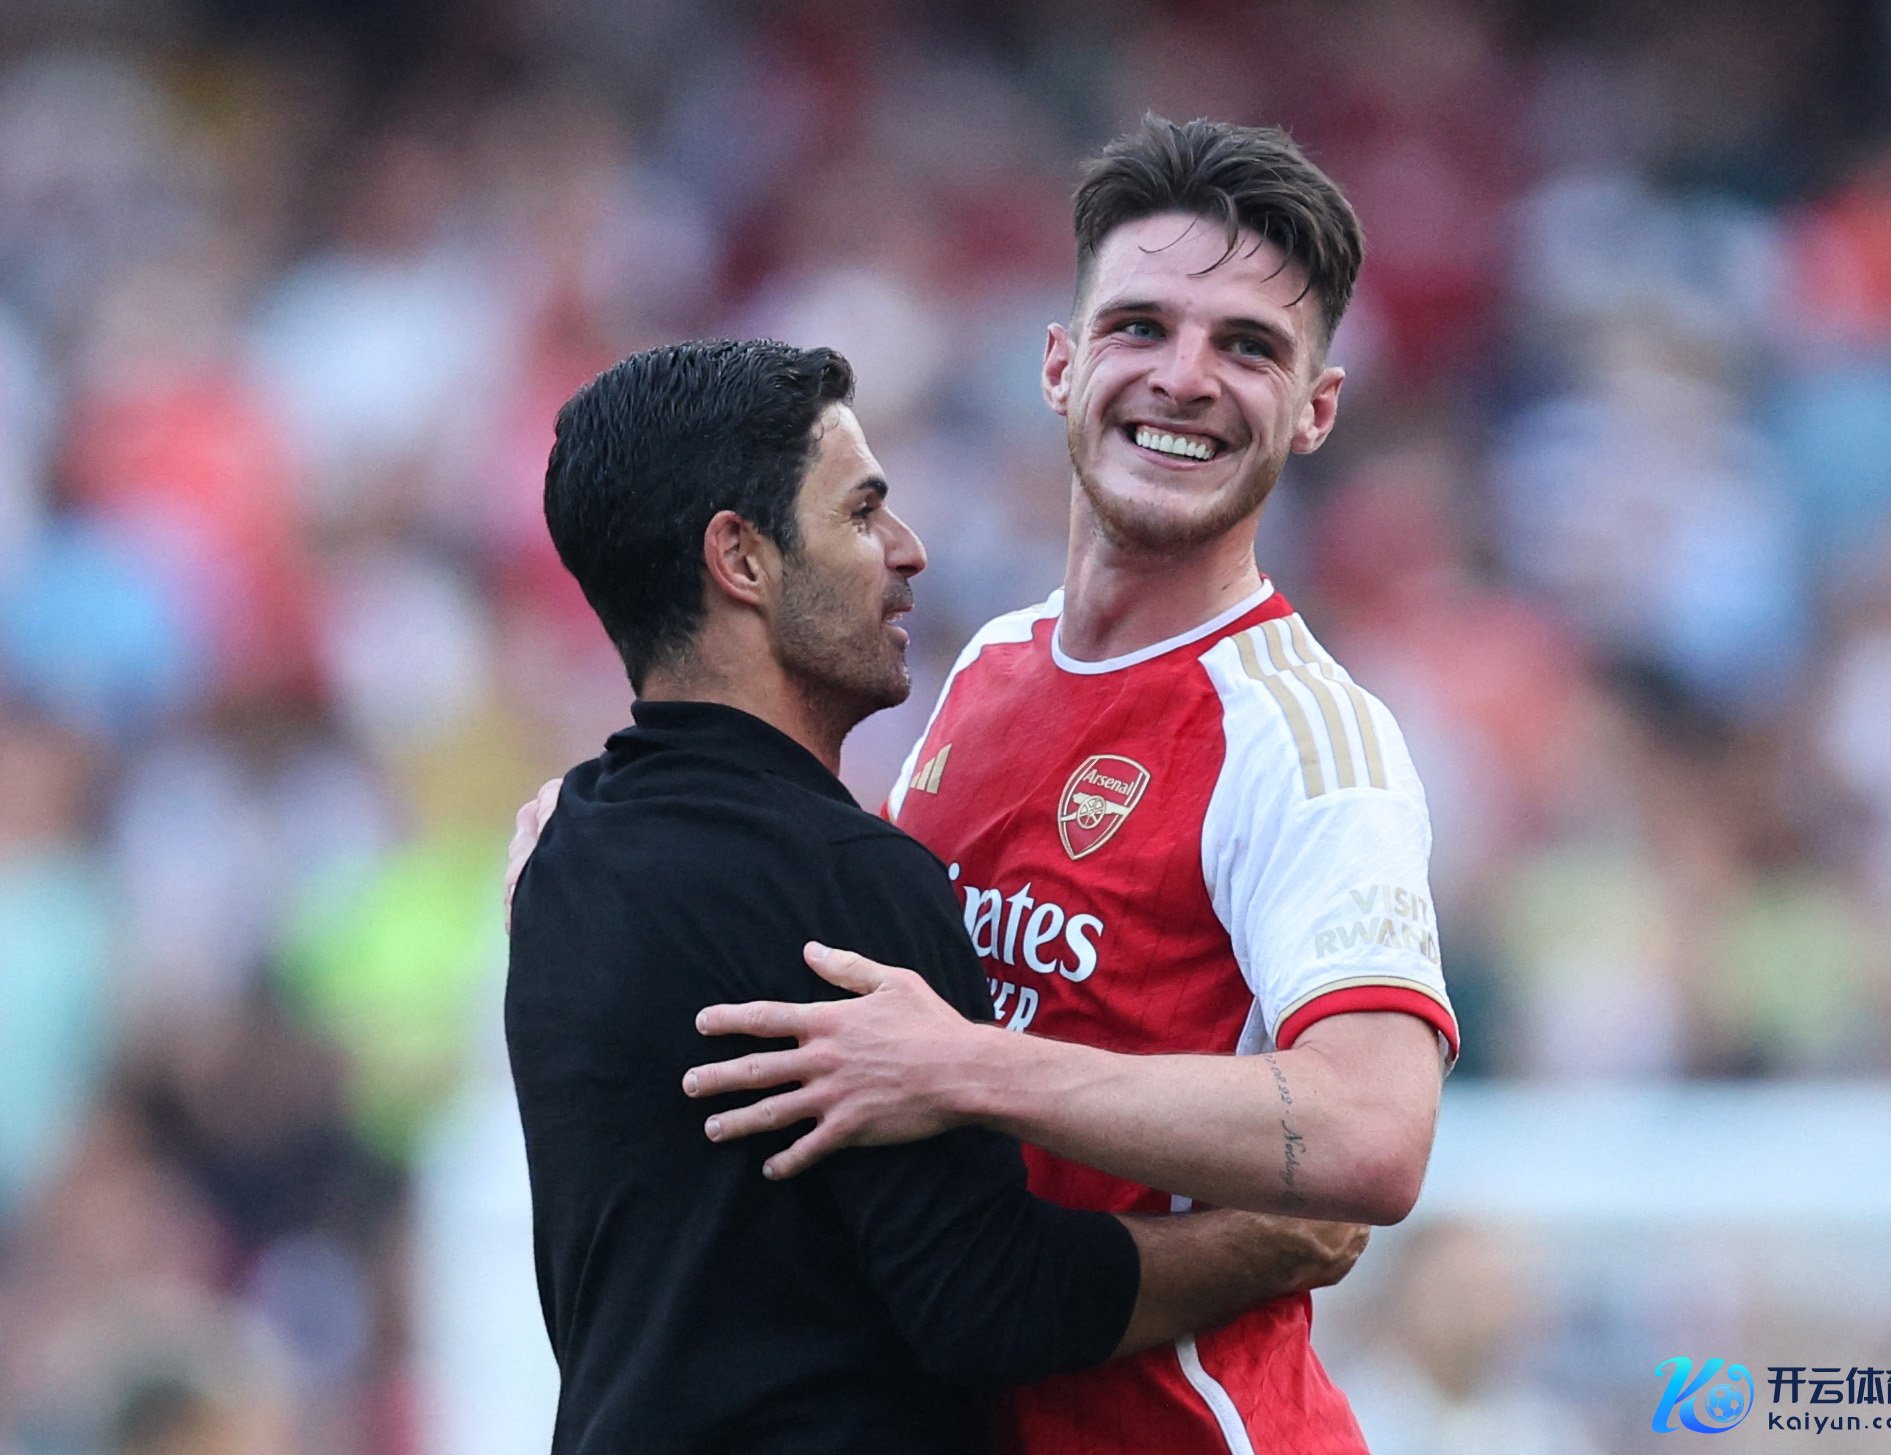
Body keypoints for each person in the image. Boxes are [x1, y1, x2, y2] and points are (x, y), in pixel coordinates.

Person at [668, 117, 1461, 1454]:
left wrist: (966, 1069)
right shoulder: (986, 662)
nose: (1183, 377)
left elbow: (1373, 1134)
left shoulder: (1305, 738)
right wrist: (619, 820)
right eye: (1140, 325)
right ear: (1059, 363)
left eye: (1248, 347)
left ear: (1316, 409)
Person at [506, 337, 1369, 1455]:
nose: (907, 551)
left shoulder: (562, 853)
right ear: (741, 559)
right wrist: (1276, 1238)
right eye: (861, 513)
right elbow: (982, 1299)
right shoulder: (843, 878)